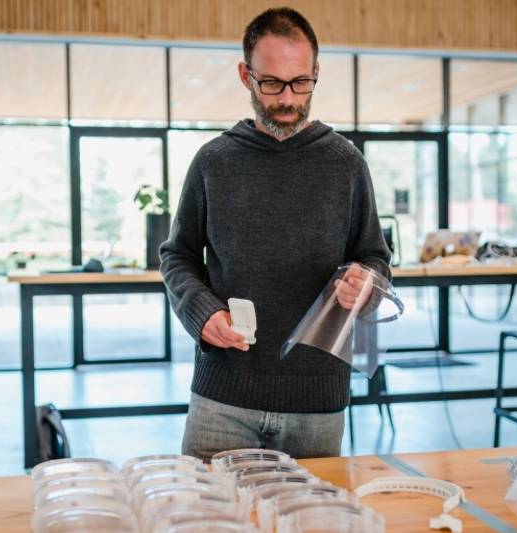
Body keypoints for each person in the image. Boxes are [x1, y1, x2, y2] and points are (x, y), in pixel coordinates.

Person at [159, 7, 391, 461]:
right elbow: (177, 256)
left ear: (316, 73)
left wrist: (367, 284)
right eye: (272, 83)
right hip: (222, 399)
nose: (288, 98)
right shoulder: (213, 162)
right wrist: (200, 312)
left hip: (317, 403)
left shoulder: (346, 164)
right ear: (246, 76)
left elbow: (374, 258)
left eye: (301, 82)